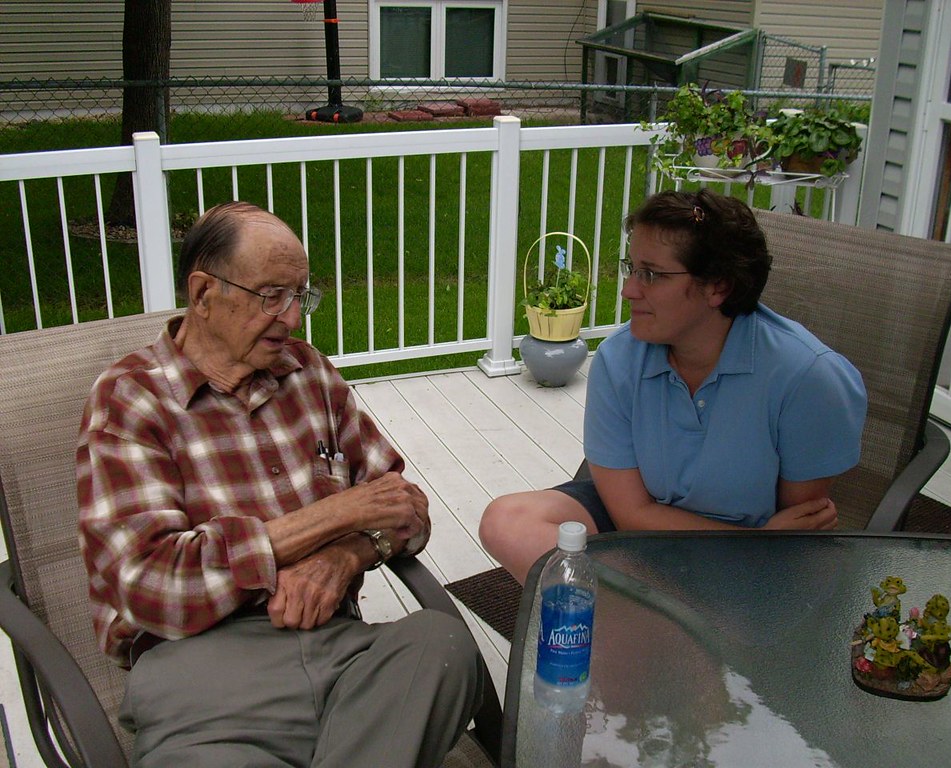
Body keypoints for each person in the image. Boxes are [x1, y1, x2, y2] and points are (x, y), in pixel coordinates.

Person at [77, 201, 483, 767]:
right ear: (202, 294)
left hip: (340, 652)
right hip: (205, 679)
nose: (293, 319)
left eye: (301, 296)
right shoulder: (131, 398)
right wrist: (333, 517)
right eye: (272, 296)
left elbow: (402, 506)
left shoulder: (307, 372)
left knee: (442, 646)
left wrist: (344, 556)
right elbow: (150, 586)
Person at [479, 188, 867, 583]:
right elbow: (631, 514)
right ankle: (643, 615)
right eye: (632, 268)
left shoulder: (807, 379)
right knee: (506, 520)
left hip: (750, 566)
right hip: (674, 533)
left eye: (652, 274)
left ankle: (622, 615)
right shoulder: (619, 359)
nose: (629, 289)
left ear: (718, 286)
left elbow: (796, 539)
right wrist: (753, 542)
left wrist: (757, 548)